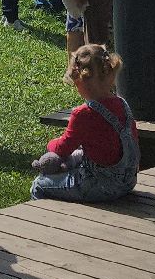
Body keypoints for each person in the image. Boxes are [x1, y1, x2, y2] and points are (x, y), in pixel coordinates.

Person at [30, 44, 138, 203]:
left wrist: (51, 144)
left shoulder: (83, 114)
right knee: (77, 156)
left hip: (100, 185)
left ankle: (46, 222)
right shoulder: (122, 104)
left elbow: (63, 147)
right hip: (128, 182)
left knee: (39, 184)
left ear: (79, 80)